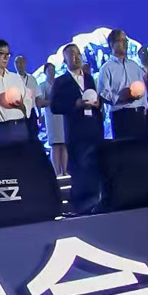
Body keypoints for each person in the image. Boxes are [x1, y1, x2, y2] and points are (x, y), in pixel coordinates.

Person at [50, 44, 105, 213]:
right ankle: (81, 205)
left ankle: (96, 201)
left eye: (78, 54)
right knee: (80, 168)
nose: (77, 57)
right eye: (72, 55)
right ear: (65, 60)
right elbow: (55, 106)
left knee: (95, 166)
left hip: (93, 127)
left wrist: (97, 104)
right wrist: (75, 104)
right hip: (76, 130)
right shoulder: (61, 82)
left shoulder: (89, 78)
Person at [99, 29, 148, 141]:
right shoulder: (106, 68)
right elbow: (103, 93)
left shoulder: (134, 65)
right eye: (121, 41)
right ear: (112, 44)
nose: (125, 44)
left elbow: (145, 83)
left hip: (139, 115)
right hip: (121, 116)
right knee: (125, 149)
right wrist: (119, 97)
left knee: (142, 148)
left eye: (125, 40)